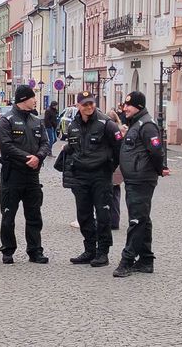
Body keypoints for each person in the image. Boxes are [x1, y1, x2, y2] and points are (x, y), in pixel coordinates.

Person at [58, 91, 122, 267]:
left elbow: (119, 148)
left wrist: (109, 167)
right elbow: (73, 147)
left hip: (100, 176)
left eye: (91, 103)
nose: (89, 107)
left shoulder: (106, 124)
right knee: (84, 215)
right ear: (78, 106)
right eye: (85, 104)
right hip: (81, 177)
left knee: (103, 215)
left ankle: (103, 252)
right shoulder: (73, 125)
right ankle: (89, 250)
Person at [113, 91, 170, 278]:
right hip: (134, 178)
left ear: (138, 106)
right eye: (125, 105)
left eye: (129, 105)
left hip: (142, 179)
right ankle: (146, 260)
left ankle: (127, 260)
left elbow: (156, 151)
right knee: (142, 218)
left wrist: (159, 169)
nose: (125, 108)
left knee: (136, 220)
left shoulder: (147, 125)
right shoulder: (136, 124)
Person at [0, 84, 51, 264]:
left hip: (32, 177)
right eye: (33, 97)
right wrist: (28, 157)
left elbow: (45, 143)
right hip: (12, 175)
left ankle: (35, 251)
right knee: (8, 215)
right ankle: (8, 250)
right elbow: (6, 146)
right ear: (23, 99)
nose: (35, 100)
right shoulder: (6, 120)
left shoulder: (36, 121)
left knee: (34, 215)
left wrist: (39, 157)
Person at [106, 109, 125, 229]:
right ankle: (115, 220)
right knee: (116, 195)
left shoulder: (110, 131)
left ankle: (111, 221)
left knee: (109, 196)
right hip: (120, 168)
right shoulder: (122, 130)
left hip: (112, 166)